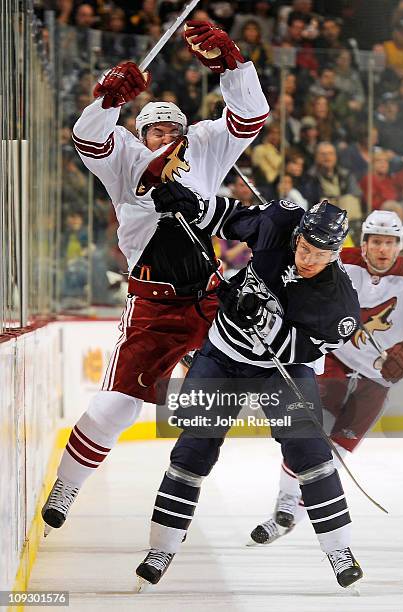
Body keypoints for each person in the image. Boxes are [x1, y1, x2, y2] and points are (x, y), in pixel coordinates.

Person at [41, 20, 269, 532]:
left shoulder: (206, 147)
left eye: (174, 131)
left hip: (209, 297)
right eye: (157, 131)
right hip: (154, 306)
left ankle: (298, 489)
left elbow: (251, 115)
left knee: (277, 380)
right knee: (116, 408)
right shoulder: (124, 159)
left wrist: (232, 65)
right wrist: (108, 98)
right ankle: (66, 486)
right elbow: (87, 137)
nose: (168, 137)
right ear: (141, 134)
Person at [134, 192, 363, 590]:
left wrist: (259, 314)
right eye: (304, 249)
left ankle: (339, 550)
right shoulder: (279, 224)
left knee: (310, 453)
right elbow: (233, 218)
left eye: (319, 255)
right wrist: (190, 204)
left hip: (281, 370)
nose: (307, 259)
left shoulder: (339, 301)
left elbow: (304, 351)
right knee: (193, 450)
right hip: (223, 355)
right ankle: (162, 547)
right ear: (298, 237)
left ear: (335, 255)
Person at [249, 210, 403, 546]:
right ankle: (285, 505)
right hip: (336, 359)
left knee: (339, 452)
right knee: (306, 435)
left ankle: (295, 513)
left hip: (377, 379)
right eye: (376, 241)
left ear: (400, 244)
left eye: (390, 242)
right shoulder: (339, 261)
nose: (383, 249)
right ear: (363, 243)